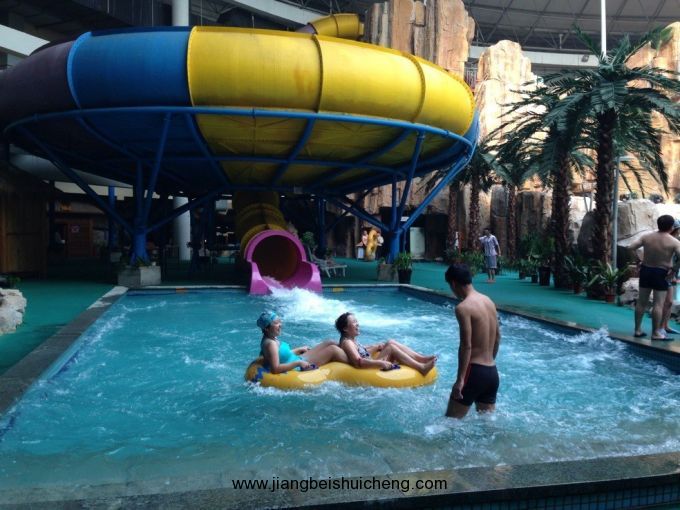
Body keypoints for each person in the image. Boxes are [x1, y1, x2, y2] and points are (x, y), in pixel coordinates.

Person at [444, 264, 500, 419]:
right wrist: (488, 364)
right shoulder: (489, 301)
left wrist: (460, 380)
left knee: (450, 423)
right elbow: (498, 337)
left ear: (453, 283)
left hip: (474, 372)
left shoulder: (463, 308)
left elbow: (466, 346)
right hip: (492, 373)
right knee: (487, 426)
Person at [335, 312, 437, 375]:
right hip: (371, 369)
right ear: (345, 328)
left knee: (390, 342)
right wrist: (381, 363)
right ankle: (421, 368)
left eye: (356, 321)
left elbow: (360, 351)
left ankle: (421, 359)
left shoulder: (350, 340)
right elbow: (359, 362)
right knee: (391, 347)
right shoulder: (347, 343)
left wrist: (376, 347)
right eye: (354, 322)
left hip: (371, 362)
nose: (357, 324)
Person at [629, 214, 680, 341]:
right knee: (658, 304)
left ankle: (637, 330)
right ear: (671, 227)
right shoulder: (674, 242)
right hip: (661, 273)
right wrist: (674, 270)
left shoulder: (647, 237)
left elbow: (631, 247)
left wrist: (638, 261)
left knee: (641, 302)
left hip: (646, 270)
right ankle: (655, 333)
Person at [257, 312, 348, 373]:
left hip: (298, 359)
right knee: (333, 350)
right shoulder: (271, 344)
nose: (280, 325)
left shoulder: (271, 338)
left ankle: (352, 349)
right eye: (276, 323)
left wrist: (298, 349)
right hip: (299, 366)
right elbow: (275, 369)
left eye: (280, 322)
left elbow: (280, 355)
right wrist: (298, 363)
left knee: (330, 342)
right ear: (267, 328)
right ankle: (354, 360)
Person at [660, 219, 680, 336]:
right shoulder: (668, 240)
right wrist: (672, 271)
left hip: (672, 274)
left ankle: (665, 326)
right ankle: (660, 327)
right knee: (666, 302)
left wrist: (674, 271)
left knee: (669, 302)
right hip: (665, 273)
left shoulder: (676, 240)